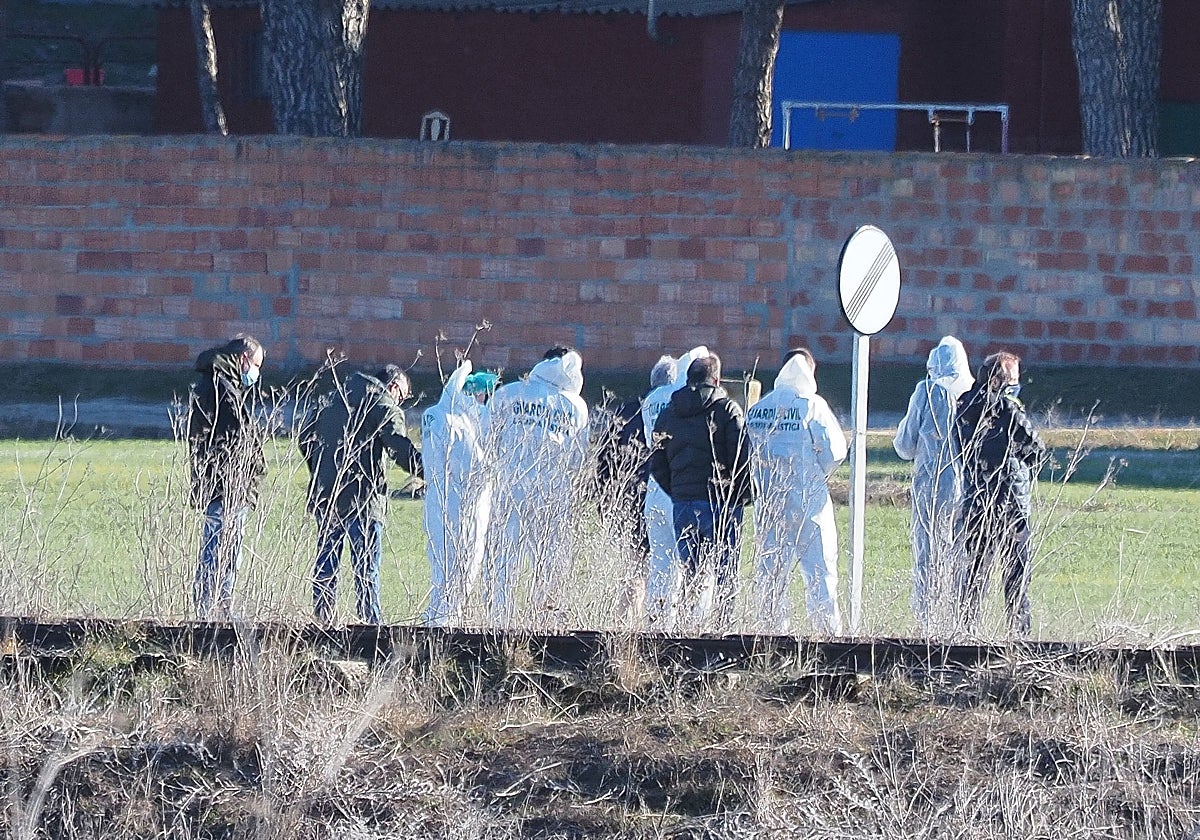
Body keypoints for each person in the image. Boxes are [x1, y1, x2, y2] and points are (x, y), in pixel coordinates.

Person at [298, 364, 423, 625]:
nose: (400, 401)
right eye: (403, 395)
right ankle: (369, 627)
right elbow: (397, 446)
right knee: (366, 569)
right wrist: (427, 469)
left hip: (327, 495)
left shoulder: (333, 396)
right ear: (394, 386)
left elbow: (304, 436)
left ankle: (323, 621)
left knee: (326, 565)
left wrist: (321, 470)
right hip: (363, 498)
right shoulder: (382, 403)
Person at [745, 348, 847, 635]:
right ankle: (827, 638)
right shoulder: (812, 405)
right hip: (808, 501)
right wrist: (817, 473)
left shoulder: (759, 408)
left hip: (770, 502)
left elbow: (747, 452)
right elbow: (836, 451)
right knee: (820, 573)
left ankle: (770, 637)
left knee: (771, 574)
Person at [483, 348, 589, 624]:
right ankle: (546, 624)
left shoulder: (509, 393)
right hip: (553, 494)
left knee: (503, 558)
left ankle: (498, 623)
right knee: (550, 560)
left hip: (509, 485)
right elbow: (577, 459)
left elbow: (485, 440)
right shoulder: (575, 407)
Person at [649, 353, 752, 629]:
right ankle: (721, 629)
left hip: (683, 503)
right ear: (716, 379)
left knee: (691, 572)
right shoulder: (727, 410)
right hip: (721, 504)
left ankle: (685, 630)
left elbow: (657, 462)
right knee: (725, 573)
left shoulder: (669, 412)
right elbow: (741, 458)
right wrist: (741, 496)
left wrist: (677, 492)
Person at [954, 351, 1046, 637]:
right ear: (998, 380)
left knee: (974, 576)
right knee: (1016, 578)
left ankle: (965, 634)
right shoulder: (1009, 409)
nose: (1017, 385)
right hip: (1011, 507)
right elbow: (1036, 450)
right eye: (1013, 380)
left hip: (976, 502)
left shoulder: (964, 407)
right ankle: (1018, 638)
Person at [893, 336, 974, 634]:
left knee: (928, 555)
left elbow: (904, 445)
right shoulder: (973, 392)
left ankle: (928, 623)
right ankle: (957, 623)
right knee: (960, 556)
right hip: (966, 489)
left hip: (932, 487)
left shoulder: (926, 392)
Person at [187, 335, 268, 620]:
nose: (257, 372)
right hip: (227, 483)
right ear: (244, 358)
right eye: (256, 364)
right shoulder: (222, 386)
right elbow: (238, 435)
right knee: (220, 551)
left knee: (223, 550)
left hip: (223, 481)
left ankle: (215, 608)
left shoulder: (218, 383)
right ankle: (213, 611)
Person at [421, 360, 494, 626]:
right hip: (459, 507)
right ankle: (442, 625)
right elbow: (474, 468)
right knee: (458, 571)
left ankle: (442, 621)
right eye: (482, 394)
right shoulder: (456, 422)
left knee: (446, 570)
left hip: (441, 505)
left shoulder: (438, 415)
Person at [640, 345, 708, 627]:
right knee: (697, 566)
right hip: (684, 491)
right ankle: (695, 626)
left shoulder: (653, 399)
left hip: (656, 489)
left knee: (661, 564)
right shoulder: (694, 401)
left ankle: (656, 626)